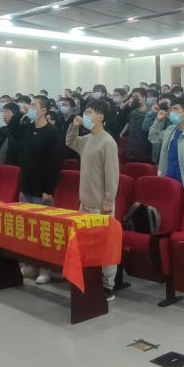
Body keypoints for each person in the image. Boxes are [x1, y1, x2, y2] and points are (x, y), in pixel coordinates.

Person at [67, 98, 121, 298]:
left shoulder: (108, 142)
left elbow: (112, 175)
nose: (86, 116)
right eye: (86, 112)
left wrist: (108, 201)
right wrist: (74, 126)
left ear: (101, 116)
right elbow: (70, 141)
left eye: (90, 112)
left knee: (105, 245)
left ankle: (107, 285)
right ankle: (90, 279)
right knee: (87, 244)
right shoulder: (87, 139)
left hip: (101, 204)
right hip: (85, 201)